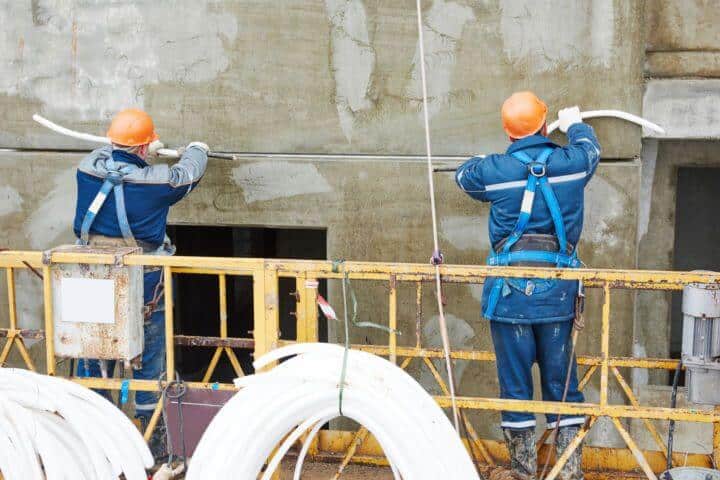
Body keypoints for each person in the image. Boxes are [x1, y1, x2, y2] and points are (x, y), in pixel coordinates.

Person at [455, 92, 601, 480]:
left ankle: (522, 472)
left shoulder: (495, 169)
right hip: (557, 295)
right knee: (563, 388)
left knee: (516, 390)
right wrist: (575, 126)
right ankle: (568, 474)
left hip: (509, 300)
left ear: (508, 132)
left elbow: (463, 177)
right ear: (543, 123)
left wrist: (488, 162)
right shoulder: (571, 163)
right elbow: (590, 152)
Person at [72, 108, 209, 456]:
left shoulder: (87, 169)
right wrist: (198, 148)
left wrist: (140, 147)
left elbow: (106, 155)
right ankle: (153, 444)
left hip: (92, 279)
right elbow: (187, 173)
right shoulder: (155, 183)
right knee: (148, 360)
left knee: (94, 353)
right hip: (143, 282)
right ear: (145, 149)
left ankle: (94, 443)